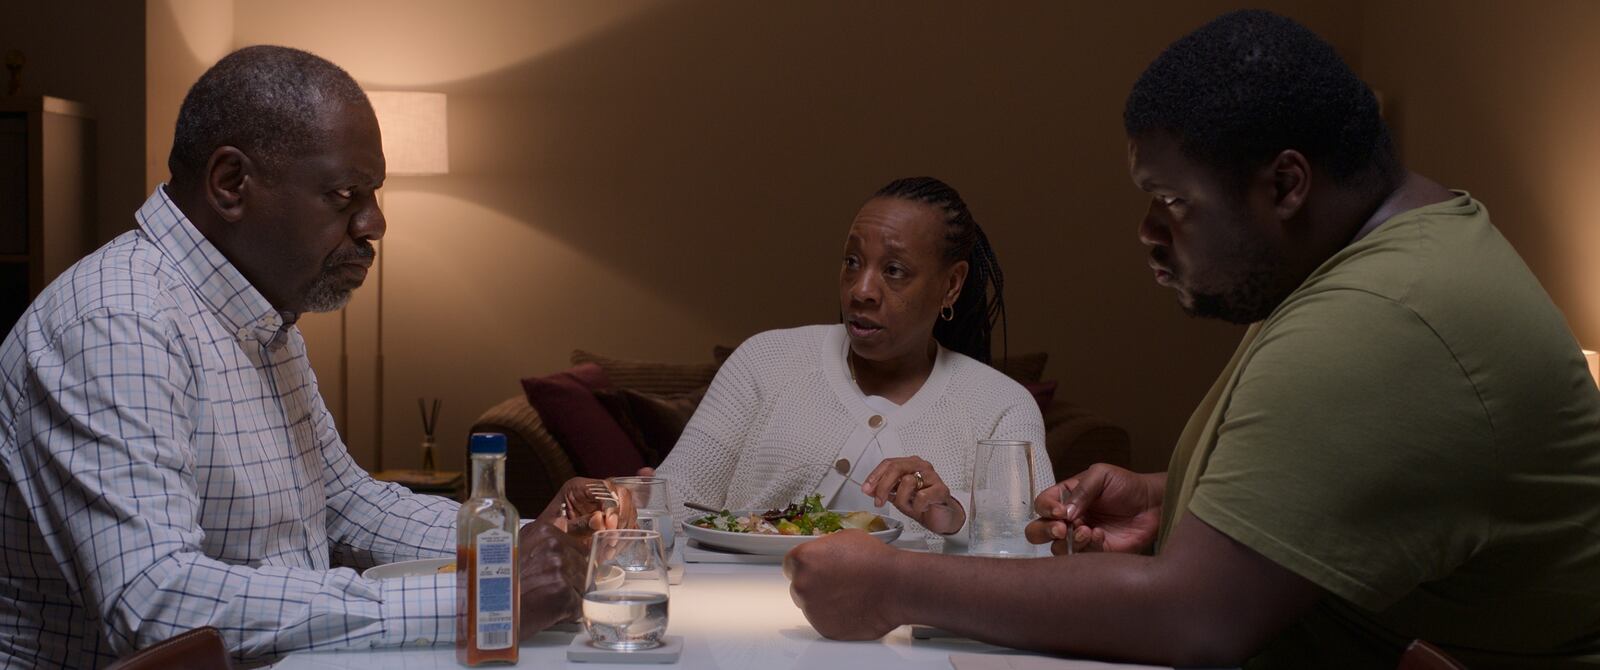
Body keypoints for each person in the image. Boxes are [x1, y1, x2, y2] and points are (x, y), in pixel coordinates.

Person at [784, 10, 1600, 668]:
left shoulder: (1383, 317)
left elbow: (1195, 621)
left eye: (1171, 201)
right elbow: (1381, 473)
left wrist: (895, 584)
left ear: (1284, 183)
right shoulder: (1401, 256)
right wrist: (1172, 493)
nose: (1146, 233)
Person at [0, 46, 628, 668]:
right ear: (230, 184)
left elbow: (343, 502)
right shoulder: (118, 323)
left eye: (374, 194)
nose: (375, 224)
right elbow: (157, 601)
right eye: (345, 194)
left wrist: (523, 546)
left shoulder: (258, 315)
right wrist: (479, 596)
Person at [653, 177, 1051, 548]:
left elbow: (1033, 539)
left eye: (894, 270)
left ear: (951, 285)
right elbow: (669, 504)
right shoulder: (763, 362)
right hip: (739, 613)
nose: (861, 291)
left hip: (910, 622)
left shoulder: (1001, 405)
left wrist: (956, 513)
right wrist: (620, 505)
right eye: (852, 262)